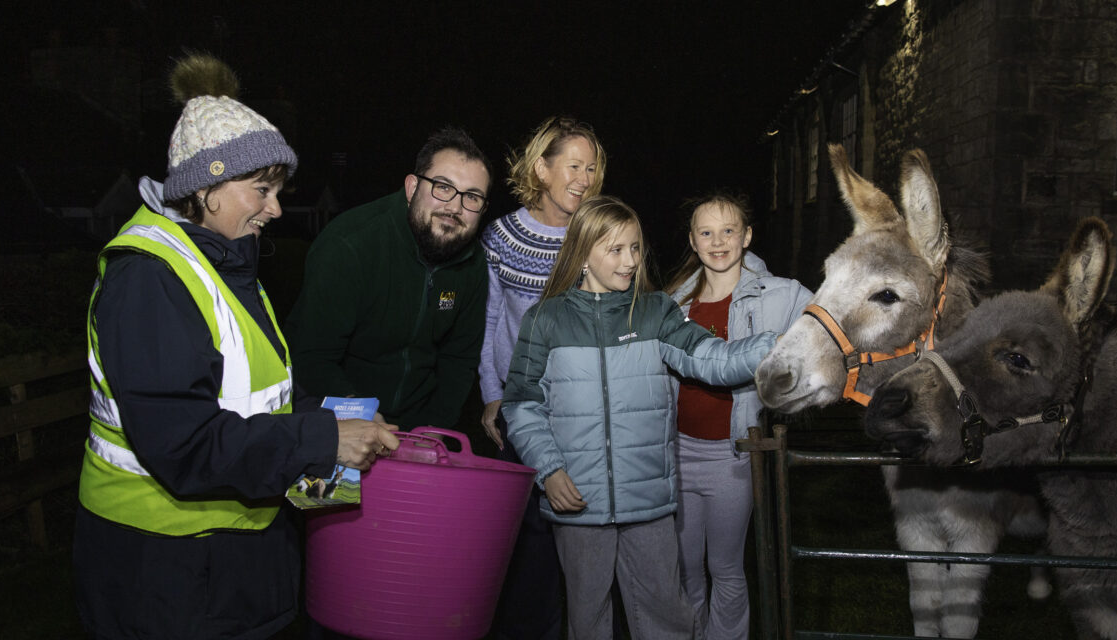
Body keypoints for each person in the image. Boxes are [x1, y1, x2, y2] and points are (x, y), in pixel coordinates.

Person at [73, 54, 400, 640]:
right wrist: (323, 438)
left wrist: (341, 418)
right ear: (205, 186)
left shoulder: (226, 262)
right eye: (261, 189)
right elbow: (183, 443)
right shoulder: (150, 278)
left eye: (278, 190)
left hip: (232, 560)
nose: (276, 208)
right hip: (164, 571)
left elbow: (261, 393)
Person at [502, 195, 780, 640]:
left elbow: (714, 360)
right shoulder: (545, 320)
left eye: (635, 248)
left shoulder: (655, 312)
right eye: (616, 250)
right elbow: (521, 403)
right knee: (587, 619)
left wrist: (780, 344)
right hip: (578, 503)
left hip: (648, 504)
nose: (630, 261)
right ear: (583, 253)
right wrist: (549, 471)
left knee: (666, 617)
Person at [478, 116, 606, 640]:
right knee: (522, 542)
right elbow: (486, 324)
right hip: (520, 411)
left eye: (593, 169)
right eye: (574, 166)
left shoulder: (596, 234)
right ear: (542, 168)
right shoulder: (502, 236)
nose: (585, 178)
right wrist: (492, 396)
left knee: (579, 542)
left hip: (583, 414)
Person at [665, 193, 812, 640]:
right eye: (706, 232)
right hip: (677, 452)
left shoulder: (783, 295)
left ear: (747, 236)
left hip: (733, 455)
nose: (718, 241)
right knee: (686, 568)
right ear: (692, 241)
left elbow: (829, 333)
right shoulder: (674, 303)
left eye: (729, 230)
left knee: (724, 565)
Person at [286, 127, 491, 429]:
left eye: (472, 197)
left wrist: (433, 431)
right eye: (443, 187)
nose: (455, 207)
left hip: (419, 428)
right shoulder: (350, 244)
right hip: (340, 418)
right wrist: (359, 414)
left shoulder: (473, 263)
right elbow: (310, 356)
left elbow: (458, 361)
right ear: (411, 188)